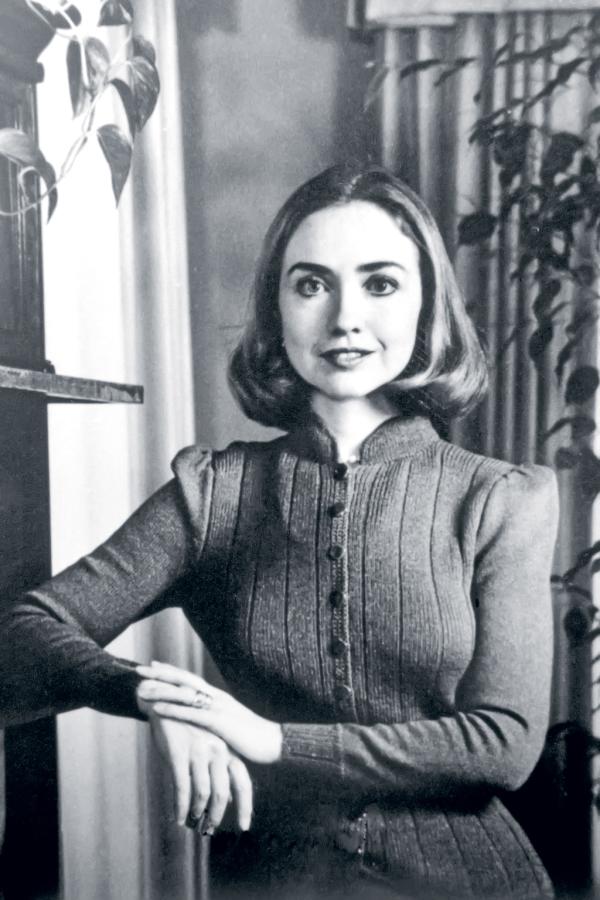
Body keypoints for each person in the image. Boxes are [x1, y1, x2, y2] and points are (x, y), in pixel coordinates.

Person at [0, 165, 559, 899]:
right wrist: (156, 698)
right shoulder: (215, 494)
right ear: (277, 308)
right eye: (312, 284)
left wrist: (268, 739)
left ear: (427, 305)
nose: (346, 318)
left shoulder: (499, 498)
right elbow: (20, 639)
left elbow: (502, 745)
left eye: (381, 284)